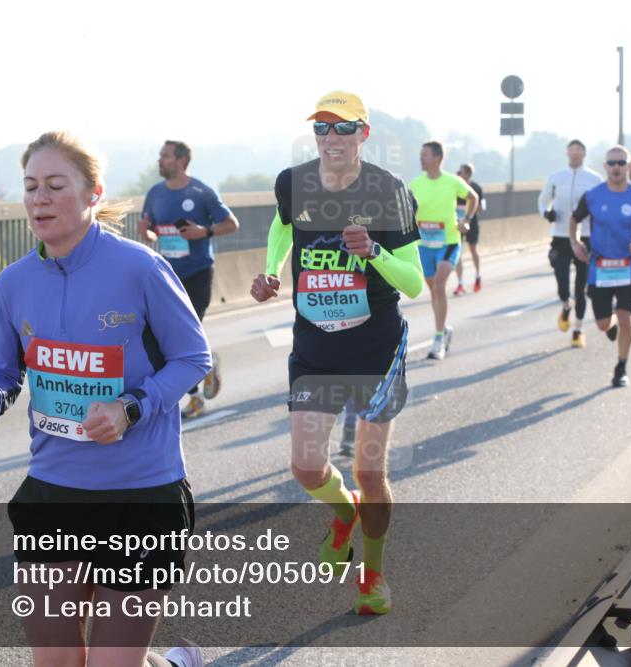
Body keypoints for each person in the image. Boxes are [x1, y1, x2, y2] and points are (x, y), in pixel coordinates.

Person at [0, 131, 211, 667]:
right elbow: (3, 375)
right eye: (30, 186)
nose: (39, 198)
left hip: (140, 495)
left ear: (93, 193)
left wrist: (131, 406)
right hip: (53, 495)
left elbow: (193, 358)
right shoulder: (14, 282)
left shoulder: (140, 268)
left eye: (55, 185)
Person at [250, 91, 423, 615]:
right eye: (322, 129)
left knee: (371, 472)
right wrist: (274, 268)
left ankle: (372, 576)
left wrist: (373, 253)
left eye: (343, 129)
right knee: (306, 468)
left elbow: (414, 281)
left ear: (363, 134)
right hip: (316, 348)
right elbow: (284, 224)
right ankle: (343, 511)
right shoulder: (293, 183)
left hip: (375, 350)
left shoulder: (388, 191)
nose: (331, 139)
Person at [138, 141, 239, 419]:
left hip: (197, 274)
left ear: (181, 161)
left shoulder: (201, 192)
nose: (160, 160)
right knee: (164, 337)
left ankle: (194, 398)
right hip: (166, 275)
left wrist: (203, 232)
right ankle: (204, 369)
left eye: (165, 156)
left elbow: (231, 224)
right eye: (160, 155)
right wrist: (148, 234)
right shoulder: (155, 194)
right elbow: (151, 231)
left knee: (182, 336)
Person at [569, 146, 631, 388]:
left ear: (628, 165)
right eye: (612, 163)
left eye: (621, 163)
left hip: (627, 268)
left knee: (625, 317)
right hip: (599, 268)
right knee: (602, 323)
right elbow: (574, 220)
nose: (617, 167)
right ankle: (609, 327)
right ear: (605, 166)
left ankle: (621, 367)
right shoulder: (592, 195)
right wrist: (575, 242)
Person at [410, 142, 478, 359]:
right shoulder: (414, 184)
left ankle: (438, 338)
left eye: (425, 155)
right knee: (433, 290)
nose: (421, 159)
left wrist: (465, 220)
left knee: (440, 284)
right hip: (424, 244)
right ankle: (445, 328)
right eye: (420, 155)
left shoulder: (452, 181)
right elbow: (405, 210)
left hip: (448, 241)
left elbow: (473, 198)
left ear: (437, 158)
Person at [538, 139, 604, 348]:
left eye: (579, 150)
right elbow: (543, 200)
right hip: (560, 235)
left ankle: (578, 330)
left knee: (581, 286)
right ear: (567, 153)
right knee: (562, 280)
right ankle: (566, 304)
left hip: (584, 236)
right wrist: (546, 213)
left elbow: (601, 205)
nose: (575, 154)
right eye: (572, 150)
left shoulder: (594, 179)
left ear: (584, 154)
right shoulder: (557, 177)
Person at [452, 163, 485, 295]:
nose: (457, 174)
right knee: (457, 251)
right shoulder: (454, 186)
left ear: (467, 174)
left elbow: (482, 207)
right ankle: (460, 283)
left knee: (473, 249)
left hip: (471, 222)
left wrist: (469, 210)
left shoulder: (476, 188)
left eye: (460, 173)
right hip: (457, 223)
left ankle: (477, 276)